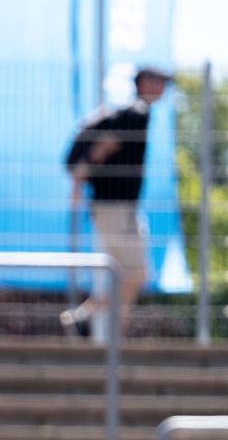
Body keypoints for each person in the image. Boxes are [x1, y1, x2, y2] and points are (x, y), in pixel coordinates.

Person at [62, 65, 173, 337]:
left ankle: (111, 336)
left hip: (120, 207)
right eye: (159, 81)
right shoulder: (137, 112)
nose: (164, 88)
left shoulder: (129, 112)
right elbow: (108, 143)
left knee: (128, 275)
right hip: (115, 207)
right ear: (144, 82)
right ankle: (83, 316)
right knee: (136, 274)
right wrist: (82, 172)